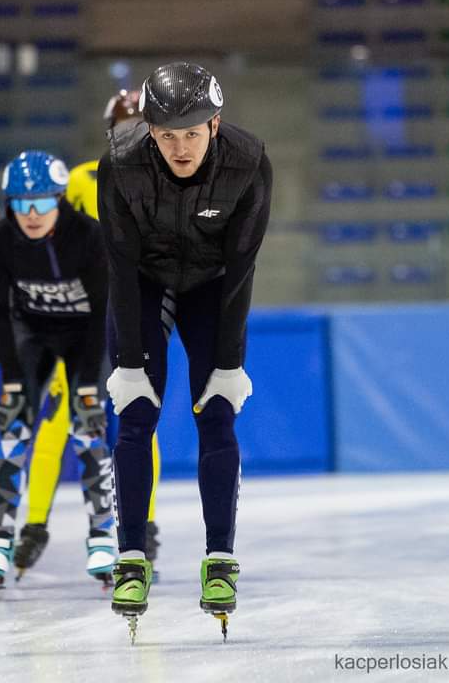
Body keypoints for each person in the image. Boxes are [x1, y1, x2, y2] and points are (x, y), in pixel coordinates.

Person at [98, 62, 272, 641]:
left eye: (192, 133)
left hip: (211, 286)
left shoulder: (249, 162)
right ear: (148, 130)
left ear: (215, 126)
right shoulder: (120, 162)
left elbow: (242, 267)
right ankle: (130, 557)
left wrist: (230, 360)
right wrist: (126, 359)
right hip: (143, 284)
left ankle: (219, 557)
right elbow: (119, 267)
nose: (180, 146)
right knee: (135, 416)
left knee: (215, 412)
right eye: (167, 134)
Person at [17, 90, 163, 580]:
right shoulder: (81, 180)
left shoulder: (166, 181)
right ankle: (35, 523)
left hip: (136, 314)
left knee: (139, 418)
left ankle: (144, 522)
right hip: (86, 319)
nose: (130, 131)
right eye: (123, 124)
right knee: (58, 417)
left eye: (137, 124)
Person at [0, 150, 115, 591]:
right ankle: (1, 535)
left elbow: (100, 313)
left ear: (61, 200)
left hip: (83, 335)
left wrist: (90, 383)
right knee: (13, 424)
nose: (31, 215)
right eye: (21, 204)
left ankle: (102, 535)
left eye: (41, 204)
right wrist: (12, 378)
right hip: (32, 334)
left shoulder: (89, 236)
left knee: (87, 425)